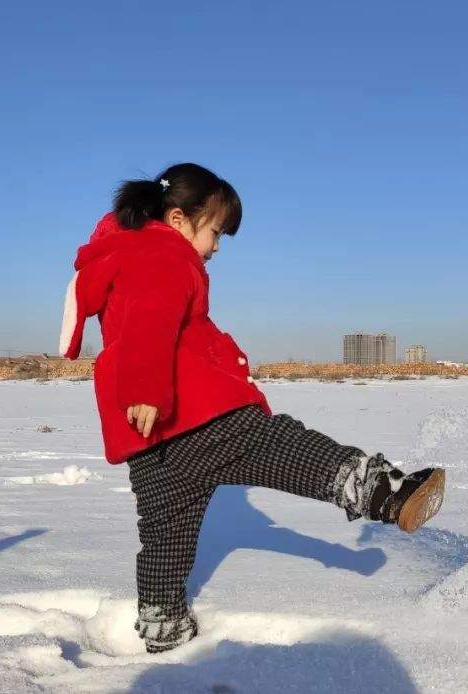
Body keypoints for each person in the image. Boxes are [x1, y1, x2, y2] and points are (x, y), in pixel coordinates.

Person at [59, 162, 445, 654]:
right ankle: (387, 492)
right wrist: (147, 390)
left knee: (163, 537)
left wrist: (143, 396)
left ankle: (162, 628)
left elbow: (130, 327)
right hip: (198, 415)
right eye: (215, 232)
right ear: (179, 219)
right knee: (286, 447)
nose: (216, 247)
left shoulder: (125, 256)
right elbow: (149, 322)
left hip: (149, 443)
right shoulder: (163, 253)